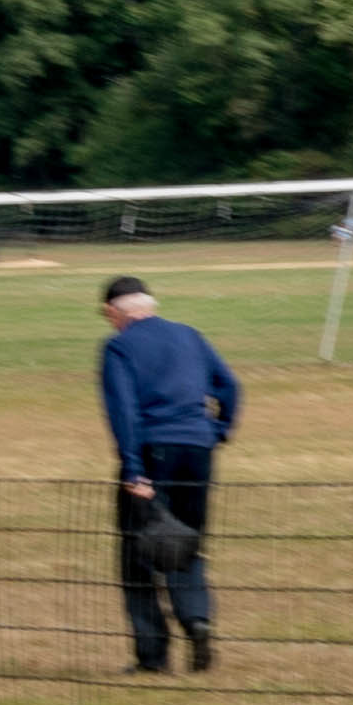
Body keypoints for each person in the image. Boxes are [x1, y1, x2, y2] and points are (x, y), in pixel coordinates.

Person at [95, 274, 239, 674]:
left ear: (113, 312)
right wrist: (217, 430)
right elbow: (228, 385)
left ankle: (152, 656)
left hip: (151, 453)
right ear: (149, 305)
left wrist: (134, 471)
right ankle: (197, 619)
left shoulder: (119, 347)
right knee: (186, 541)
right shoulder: (189, 336)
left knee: (139, 554)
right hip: (197, 449)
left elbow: (123, 412)